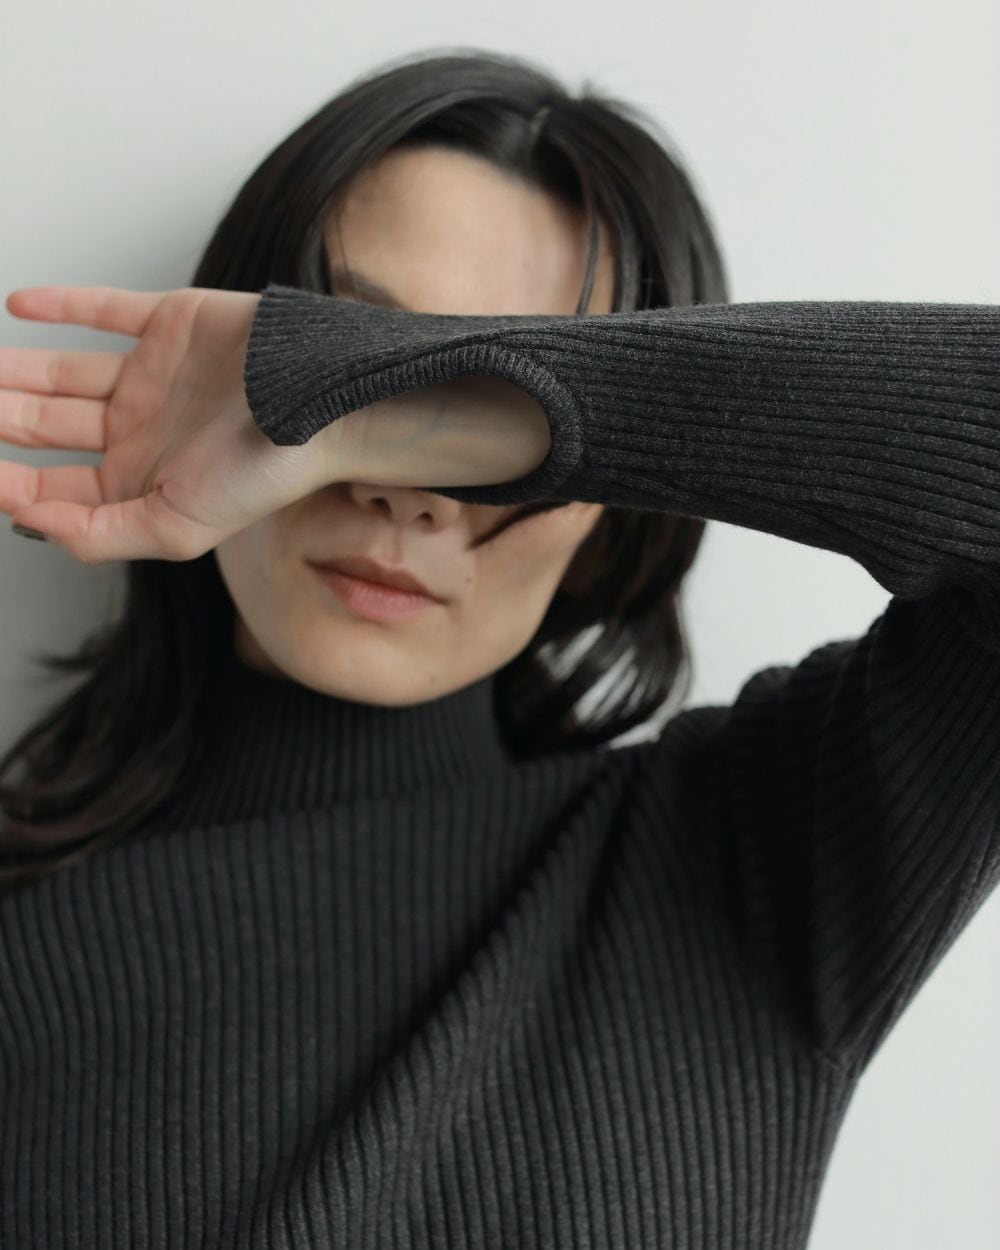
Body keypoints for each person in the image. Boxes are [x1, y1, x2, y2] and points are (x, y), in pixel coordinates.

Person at [0, 47, 998, 1250]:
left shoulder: (750, 865)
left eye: (478, 430)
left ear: (607, 503)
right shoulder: (26, 944)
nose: (410, 491)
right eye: (352, 348)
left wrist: (413, 406)